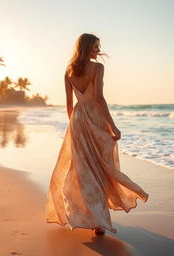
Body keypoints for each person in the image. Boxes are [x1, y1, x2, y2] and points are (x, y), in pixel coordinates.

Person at [45, 33, 148, 235]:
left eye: (99, 47)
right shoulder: (98, 68)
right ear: (86, 48)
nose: (98, 51)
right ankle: (98, 221)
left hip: (77, 119)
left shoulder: (68, 70)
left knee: (83, 169)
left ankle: (88, 215)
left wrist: (74, 124)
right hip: (95, 118)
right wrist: (113, 126)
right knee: (100, 167)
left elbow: (69, 103)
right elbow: (99, 99)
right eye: (95, 47)